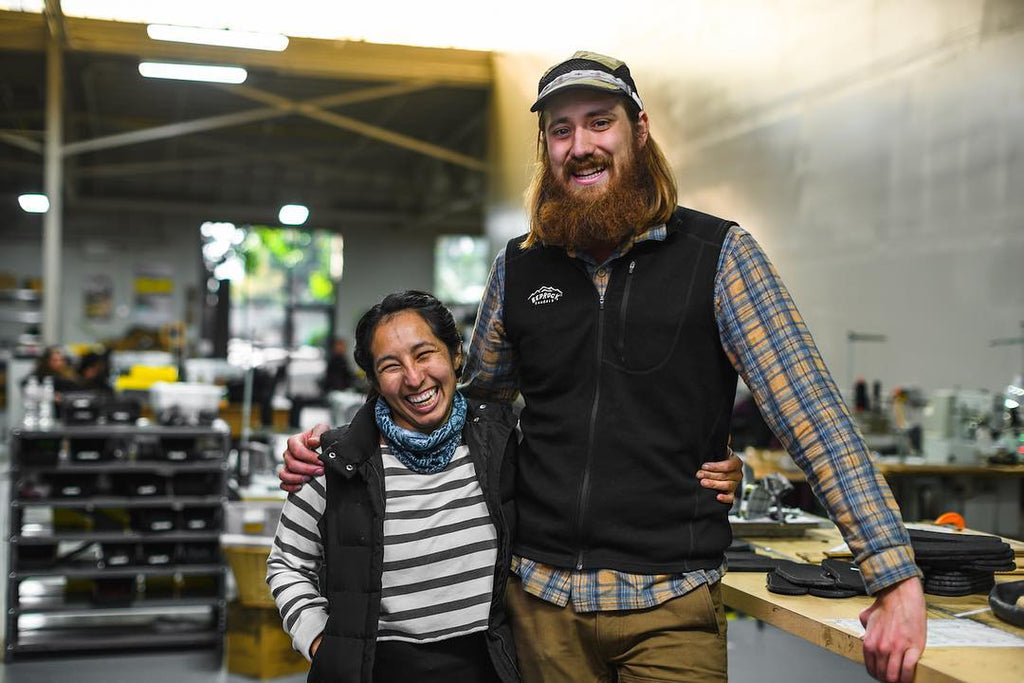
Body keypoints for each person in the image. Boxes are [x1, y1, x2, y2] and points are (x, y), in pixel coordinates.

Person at [282, 50, 926, 682]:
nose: (579, 144)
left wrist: (892, 573)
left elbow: (813, 413)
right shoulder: (520, 267)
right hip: (539, 608)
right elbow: (469, 406)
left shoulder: (719, 256)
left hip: (670, 603)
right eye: (560, 130)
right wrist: (341, 448)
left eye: (599, 121)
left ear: (639, 131)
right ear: (546, 148)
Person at [267, 291, 520, 682]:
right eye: (391, 366)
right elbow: (287, 562)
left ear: (455, 355)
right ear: (375, 381)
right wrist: (320, 641)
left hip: (490, 668)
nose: (414, 378)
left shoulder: (502, 444)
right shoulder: (334, 462)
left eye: (424, 354)